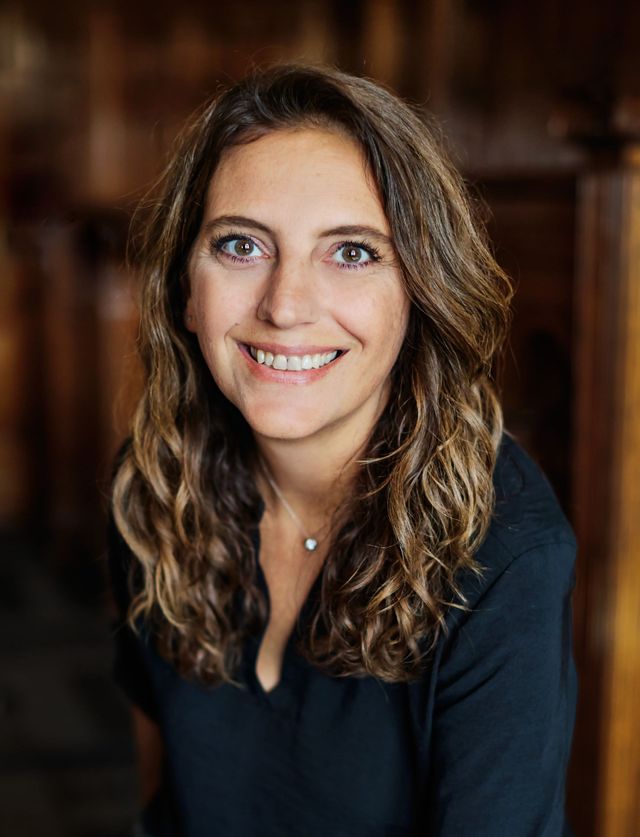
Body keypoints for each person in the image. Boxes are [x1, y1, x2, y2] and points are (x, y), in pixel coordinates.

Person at [107, 63, 577, 837]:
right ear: (186, 288)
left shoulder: (506, 557)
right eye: (240, 245)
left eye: (351, 252)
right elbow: (165, 795)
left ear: (419, 292)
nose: (285, 305)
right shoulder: (157, 481)